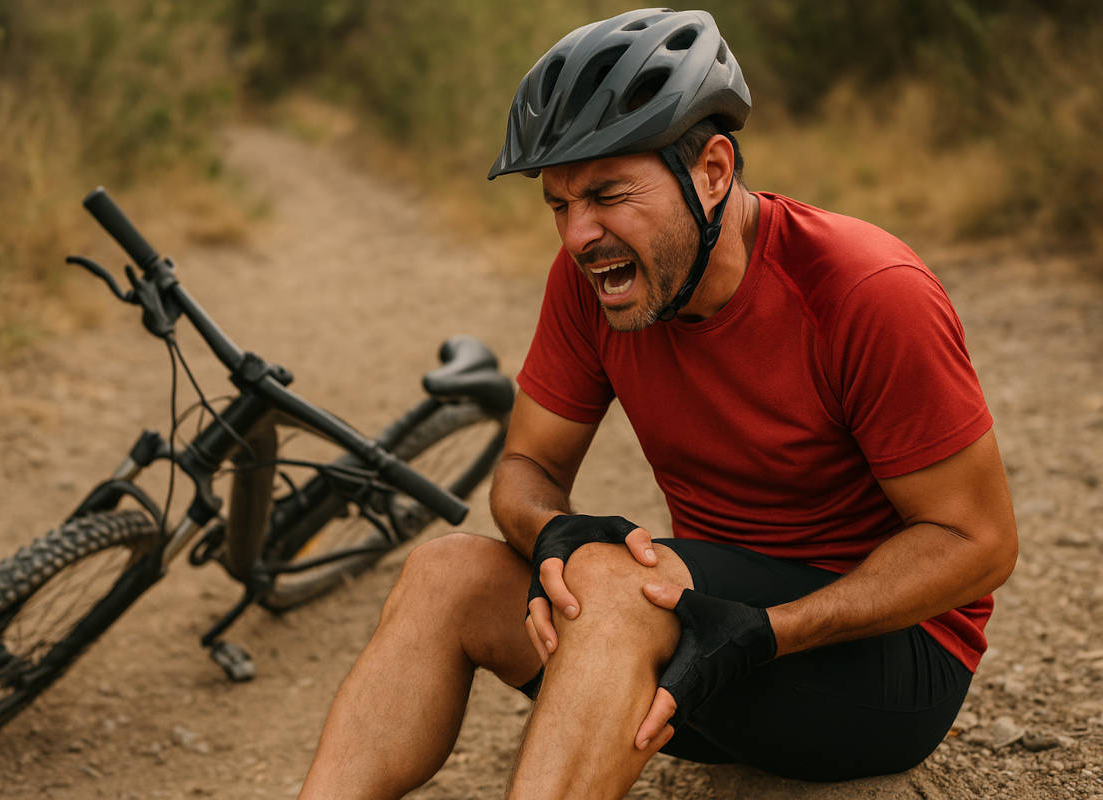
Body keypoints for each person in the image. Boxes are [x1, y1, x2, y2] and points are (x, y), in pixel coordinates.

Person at [297, 8, 1017, 799]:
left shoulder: (866, 292)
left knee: (620, 587)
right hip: (703, 644)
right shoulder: (591, 283)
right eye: (560, 204)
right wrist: (550, 531)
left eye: (607, 194)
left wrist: (766, 634)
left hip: (881, 667)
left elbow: (977, 542)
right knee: (448, 572)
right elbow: (526, 465)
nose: (578, 236)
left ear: (712, 172)